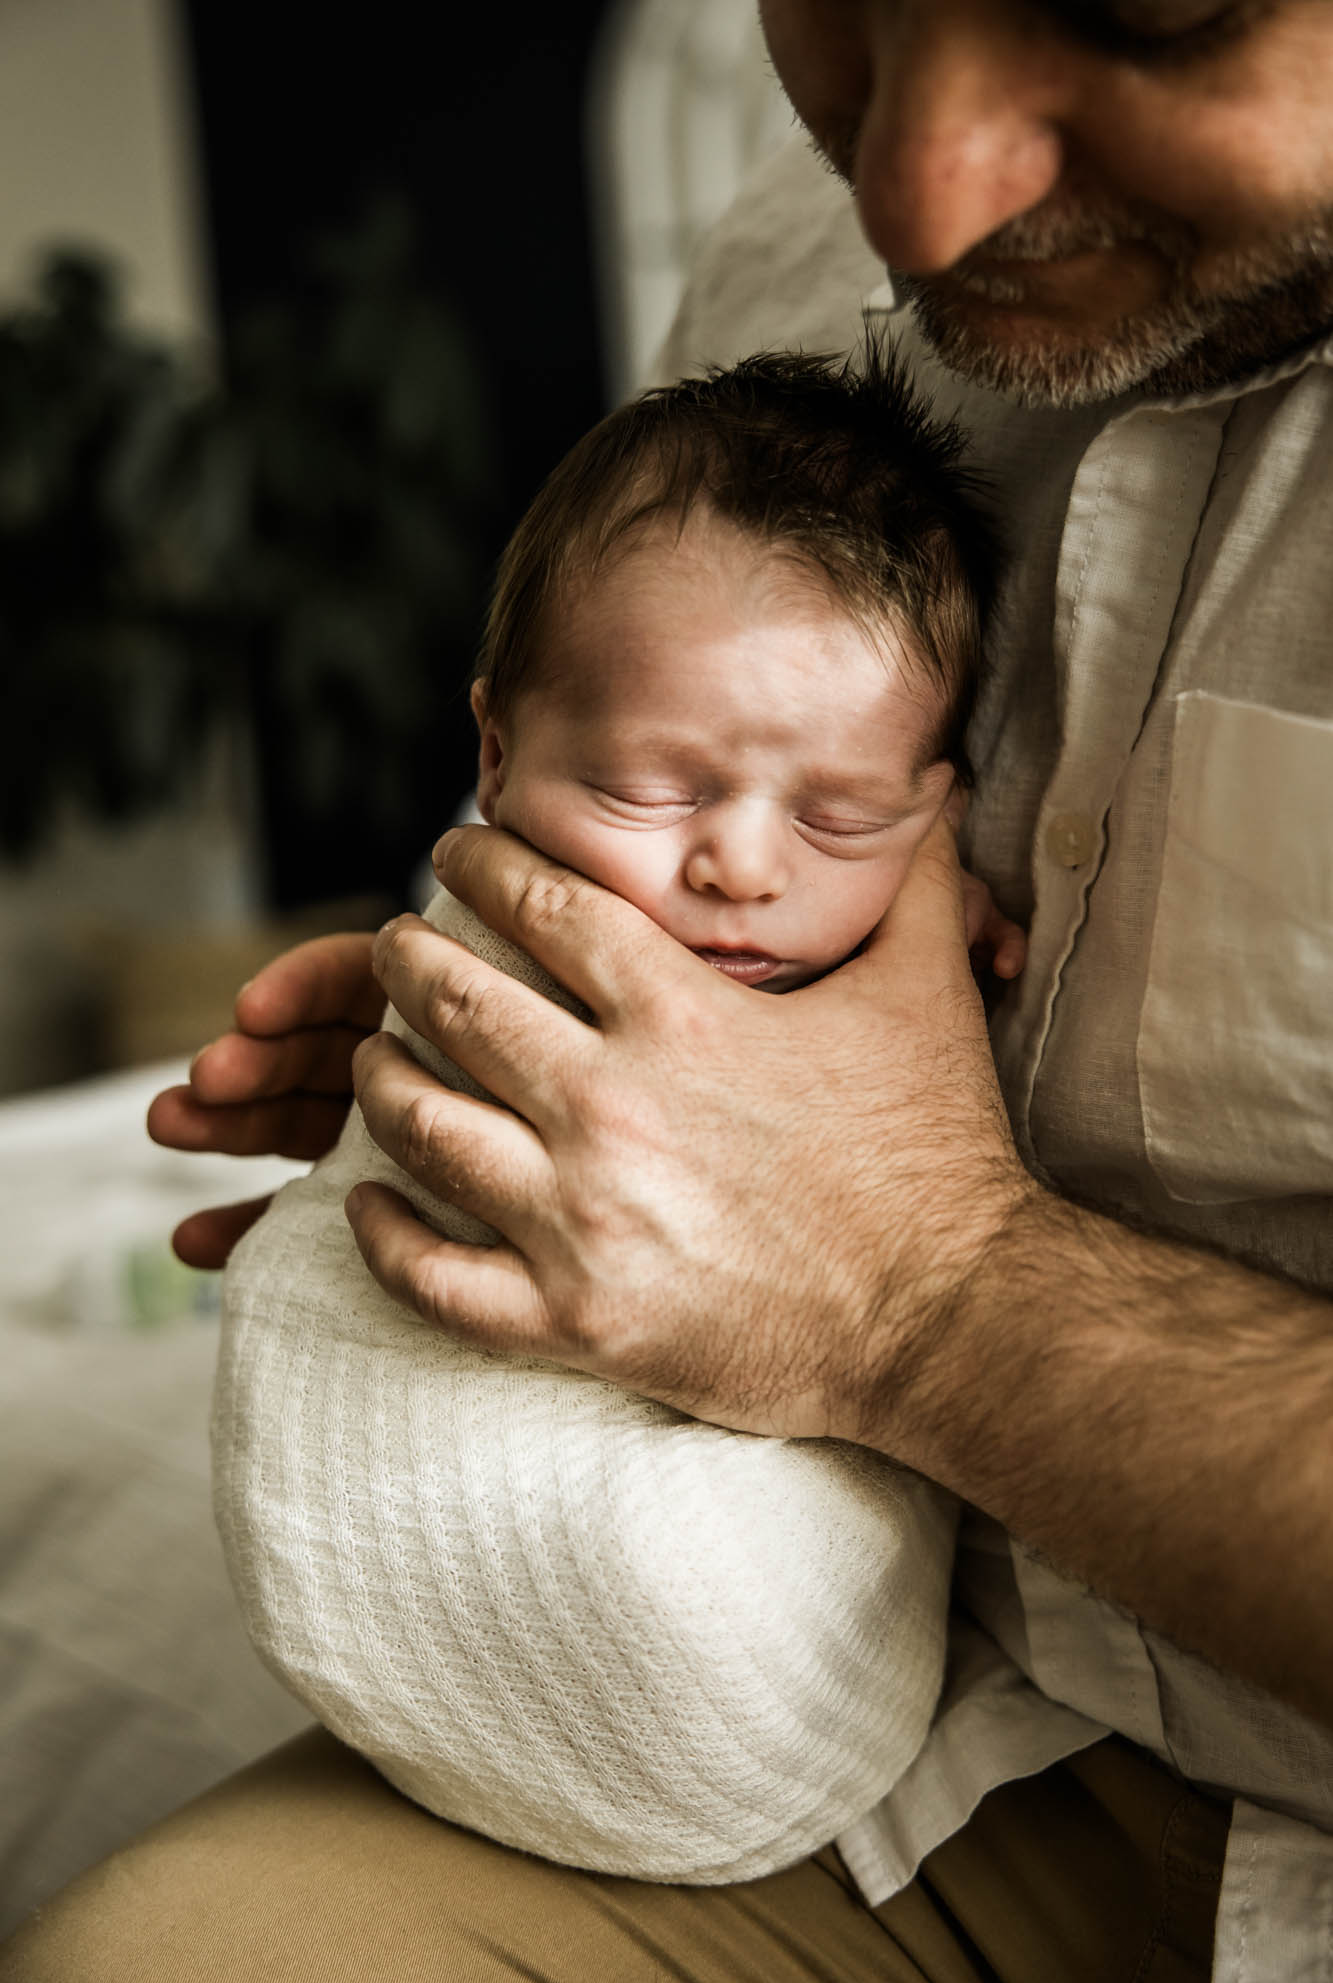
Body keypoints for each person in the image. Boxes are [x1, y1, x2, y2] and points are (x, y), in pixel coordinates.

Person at [6, 0, 1332, 1983]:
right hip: (962, 1738)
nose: (912, 189)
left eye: (1141, 16)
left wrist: (923, 1284)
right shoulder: (799, 293)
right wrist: (550, 1045)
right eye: (842, 10)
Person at [213, 348, 1025, 1889]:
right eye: (656, 792)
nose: (737, 867)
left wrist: (936, 911)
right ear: (497, 753)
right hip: (466, 1469)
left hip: (764, 1682)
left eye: (839, 816)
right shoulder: (510, 928)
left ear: (937, 805)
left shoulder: (867, 913)